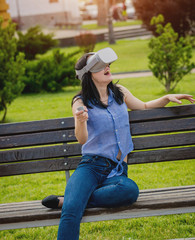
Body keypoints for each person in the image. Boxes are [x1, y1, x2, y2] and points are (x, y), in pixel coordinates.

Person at [42, 47, 194, 240]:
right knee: (71, 213)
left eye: (107, 64)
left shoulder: (120, 92)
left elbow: (144, 106)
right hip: (91, 167)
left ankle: (70, 200)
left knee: (129, 191)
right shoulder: (80, 101)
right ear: (88, 75)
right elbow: (82, 139)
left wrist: (166, 98)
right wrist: (80, 120)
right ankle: (72, 202)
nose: (107, 67)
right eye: (99, 65)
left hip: (118, 170)